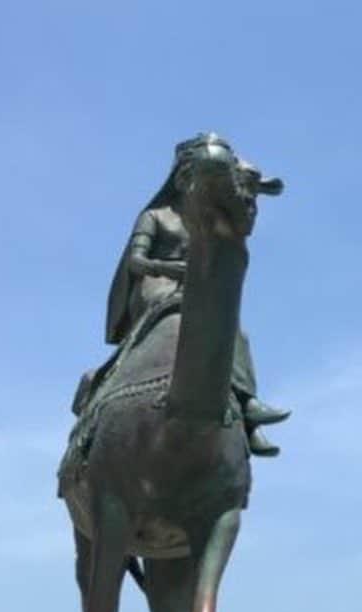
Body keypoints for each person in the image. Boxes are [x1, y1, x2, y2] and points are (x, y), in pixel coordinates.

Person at [83, 133, 289, 456]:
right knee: (182, 313)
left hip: (197, 284)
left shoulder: (203, 220)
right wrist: (171, 270)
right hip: (158, 285)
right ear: (182, 178)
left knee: (234, 331)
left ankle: (247, 411)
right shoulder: (155, 216)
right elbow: (136, 261)